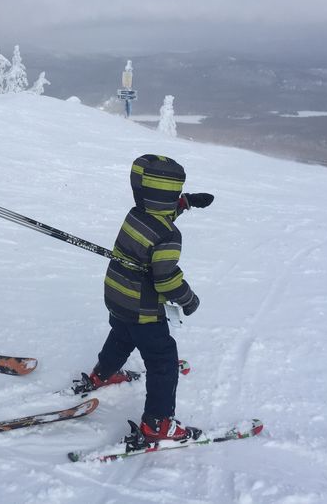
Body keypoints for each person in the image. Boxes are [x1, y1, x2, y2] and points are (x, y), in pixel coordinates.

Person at [83, 154, 214, 441]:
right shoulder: (168, 236)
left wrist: (186, 203)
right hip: (144, 309)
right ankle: (157, 424)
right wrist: (188, 299)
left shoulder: (135, 214)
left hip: (117, 297)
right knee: (163, 361)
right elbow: (166, 278)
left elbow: (156, 216)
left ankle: (101, 374)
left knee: (121, 335)